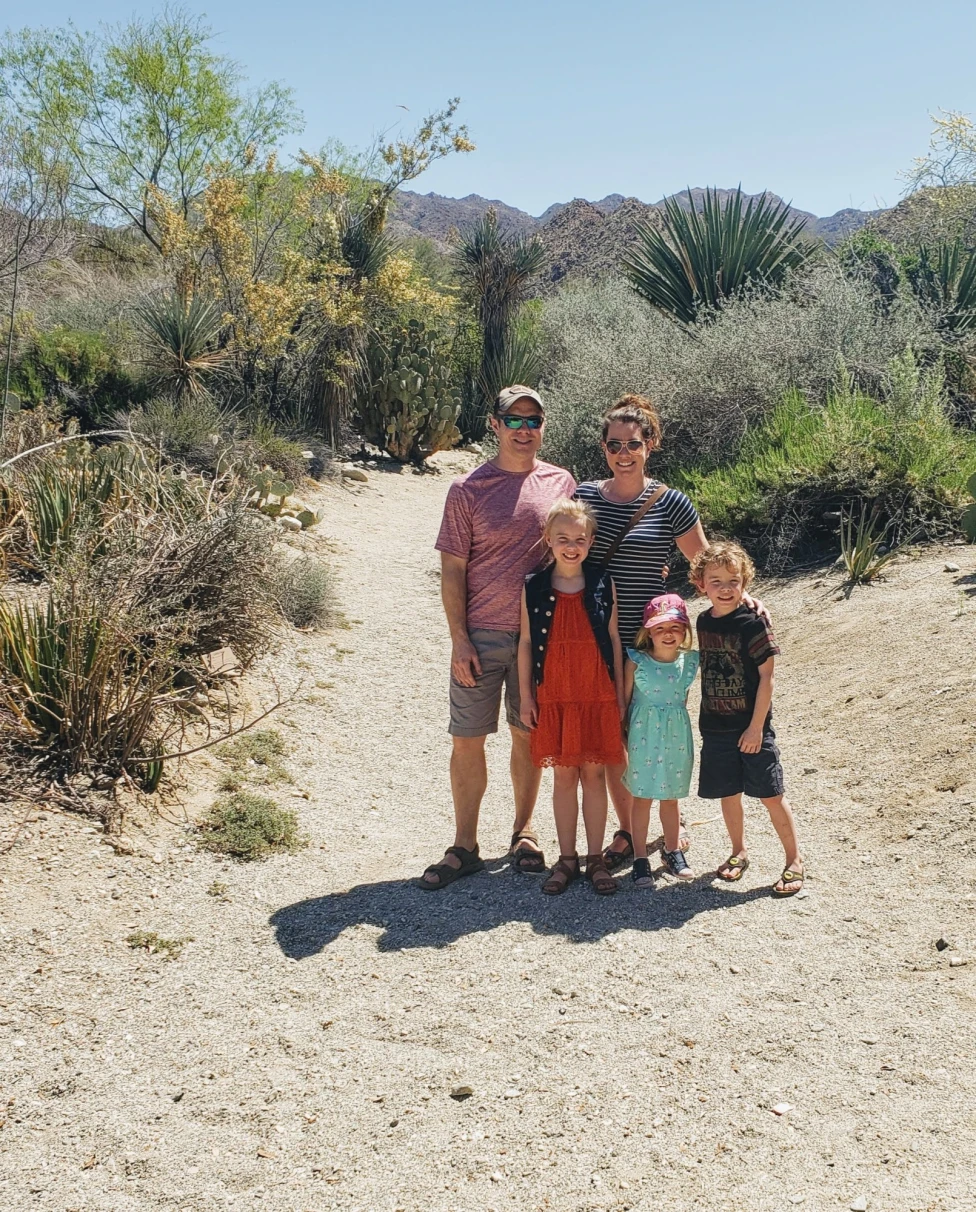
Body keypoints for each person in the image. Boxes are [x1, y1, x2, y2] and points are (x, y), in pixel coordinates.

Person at [573, 393, 766, 871]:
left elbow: (704, 564)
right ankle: (628, 828)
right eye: (614, 444)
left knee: (640, 731)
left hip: (655, 641)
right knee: (615, 733)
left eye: (633, 444)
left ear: (650, 445)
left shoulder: (669, 502)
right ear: (603, 447)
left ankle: (639, 831)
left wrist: (742, 599)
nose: (623, 453)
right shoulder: (586, 497)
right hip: (595, 632)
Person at [419, 386, 576, 889]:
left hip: (541, 635)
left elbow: (575, 548)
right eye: (515, 420)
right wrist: (458, 639)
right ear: (495, 425)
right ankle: (464, 845)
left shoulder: (560, 482)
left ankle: (524, 832)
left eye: (534, 420)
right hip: (481, 635)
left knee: (528, 736)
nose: (524, 430)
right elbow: (452, 570)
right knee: (467, 739)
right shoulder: (468, 489)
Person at [517, 499, 626, 896]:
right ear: (547, 539)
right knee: (564, 776)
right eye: (562, 538)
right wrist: (527, 696)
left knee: (594, 773)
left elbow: (613, 637)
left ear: (591, 541)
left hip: (596, 690)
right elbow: (527, 642)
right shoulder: (534, 586)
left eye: (580, 538)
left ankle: (596, 858)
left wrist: (618, 693)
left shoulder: (603, 581)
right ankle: (567, 859)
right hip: (555, 693)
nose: (571, 545)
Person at [688, 541, 804, 896]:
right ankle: (738, 851)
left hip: (751, 727)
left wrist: (756, 727)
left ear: (745, 583)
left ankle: (794, 860)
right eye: (716, 581)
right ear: (701, 584)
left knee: (771, 794)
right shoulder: (703, 620)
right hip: (716, 726)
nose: (725, 589)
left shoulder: (753, 623)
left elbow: (767, 677)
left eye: (733, 581)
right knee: (728, 792)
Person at [623, 594, 699, 889]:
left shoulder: (689, 662)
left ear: (685, 631)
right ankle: (640, 857)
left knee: (671, 796)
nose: (668, 634)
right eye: (660, 628)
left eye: (675, 627)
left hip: (677, 737)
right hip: (643, 737)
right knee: (641, 797)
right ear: (648, 632)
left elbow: (683, 700)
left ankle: (673, 849)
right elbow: (624, 702)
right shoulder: (636, 661)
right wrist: (623, 733)